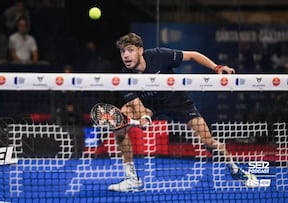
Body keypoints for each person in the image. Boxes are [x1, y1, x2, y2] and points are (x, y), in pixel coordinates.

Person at [109, 32, 258, 192]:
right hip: (149, 106)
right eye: (122, 51)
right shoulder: (124, 75)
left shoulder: (160, 56)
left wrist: (217, 67)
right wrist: (144, 117)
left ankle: (236, 170)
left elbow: (193, 55)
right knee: (119, 124)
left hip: (178, 102)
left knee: (208, 142)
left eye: (130, 50)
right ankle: (132, 179)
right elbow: (135, 103)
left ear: (140, 50)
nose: (126, 55)